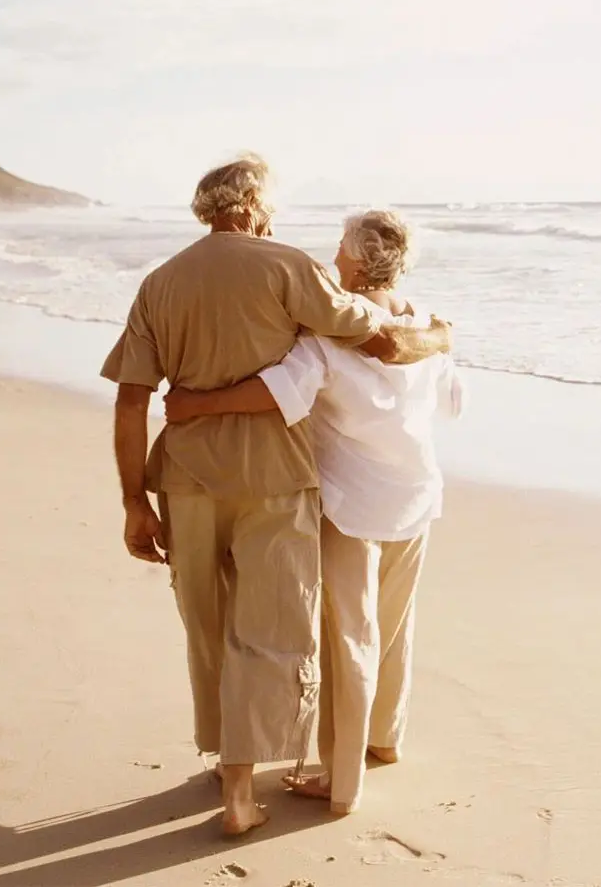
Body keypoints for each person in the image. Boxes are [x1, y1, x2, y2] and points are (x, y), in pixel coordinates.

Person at [101, 156, 453, 836]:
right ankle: (241, 788)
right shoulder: (290, 268)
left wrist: (133, 503)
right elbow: (379, 338)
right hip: (275, 479)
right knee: (267, 631)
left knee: (208, 626)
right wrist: (441, 333)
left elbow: (130, 400)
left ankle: (227, 756)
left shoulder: (160, 283)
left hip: (185, 481)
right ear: (253, 202)